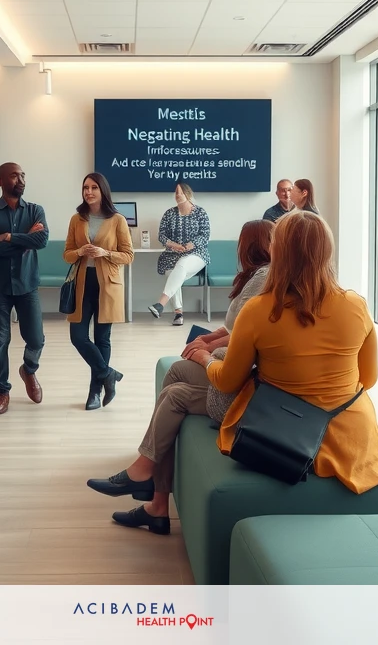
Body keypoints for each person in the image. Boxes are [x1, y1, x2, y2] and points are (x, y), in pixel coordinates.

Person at [112, 212, 378, 535]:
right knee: (177, 390)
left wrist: (206, 357)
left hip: (284, 428)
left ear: (279, 253)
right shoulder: (356, 305)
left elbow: (227, 381)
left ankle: (152, 490)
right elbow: (368, 379)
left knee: (177, 392)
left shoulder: (261, 310)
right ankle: (152, 490)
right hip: (351, 435)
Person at [87, 220, 274, 531]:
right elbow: (235, 327)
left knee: (175, 393)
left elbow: (244, 334)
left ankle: (149, 483)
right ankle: (156, 500)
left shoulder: (263, 277)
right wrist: (208, 338)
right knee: (175, 371)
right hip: (232, 362)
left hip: (241, 375)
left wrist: (207, 348)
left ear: (250, 244)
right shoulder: (256, 275)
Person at [0, 162, 47, 415]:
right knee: (0, 340)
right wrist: (26, 241)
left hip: (27, 284)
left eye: (23, 175)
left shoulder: (36, 210)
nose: (21, 180)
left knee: (36, 339)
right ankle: (2, 392)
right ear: (0, 181)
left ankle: (28, 370)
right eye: (14, 176)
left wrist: (8, 237)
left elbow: (42, 240)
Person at [63, 172, 134, 411]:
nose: (89, 192)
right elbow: (67, 254)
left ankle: (95, 391)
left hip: (108, 285)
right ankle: (107, 374)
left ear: (103, 190)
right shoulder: (77, 219)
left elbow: (128, 256)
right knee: (78, 337)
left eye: (94, 187)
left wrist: (106, 253)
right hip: (83, 283)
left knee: (102, 339)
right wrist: (80, 252)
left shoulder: (117, 220)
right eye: (86, 187)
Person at [148, 183, 210, 326]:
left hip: (197, 254)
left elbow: (205, 235)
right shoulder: (169, 213)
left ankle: (160, 303)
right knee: (172, 272)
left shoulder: (200, 212)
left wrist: (191, 245)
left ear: (188, 194)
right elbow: (161, 236)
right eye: (176, 192)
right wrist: (173, 244)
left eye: (180, 192)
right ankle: (178, 314)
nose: (178, 195)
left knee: (181, 264)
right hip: (172, 255)